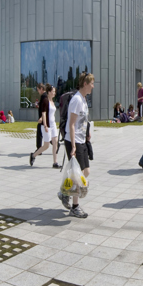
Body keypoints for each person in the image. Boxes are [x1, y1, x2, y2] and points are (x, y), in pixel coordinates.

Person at [58, 72, 94, 218]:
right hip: (73, 141)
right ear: (85, 84)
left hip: (82, 140)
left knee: (86, 172)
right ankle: (75, 206)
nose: (93, 86)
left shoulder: (84, 99)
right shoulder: (77, 100)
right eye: (91, 83)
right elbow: (71, 124)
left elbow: (83, 121)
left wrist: (87, 133)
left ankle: (64, 192)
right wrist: (73, 146)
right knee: (78, 173)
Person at [31, 84, 59, 168]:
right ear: (49, 92)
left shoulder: (52, 102)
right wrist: (45, 125)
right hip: (47, 124)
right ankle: (33, 155)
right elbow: (43, 113)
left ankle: (55, 163)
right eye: (53, 92)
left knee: (55, 142)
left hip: (53, 124)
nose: (54, 93)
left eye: (55, 92)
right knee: (46, 145)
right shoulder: (45, 101)